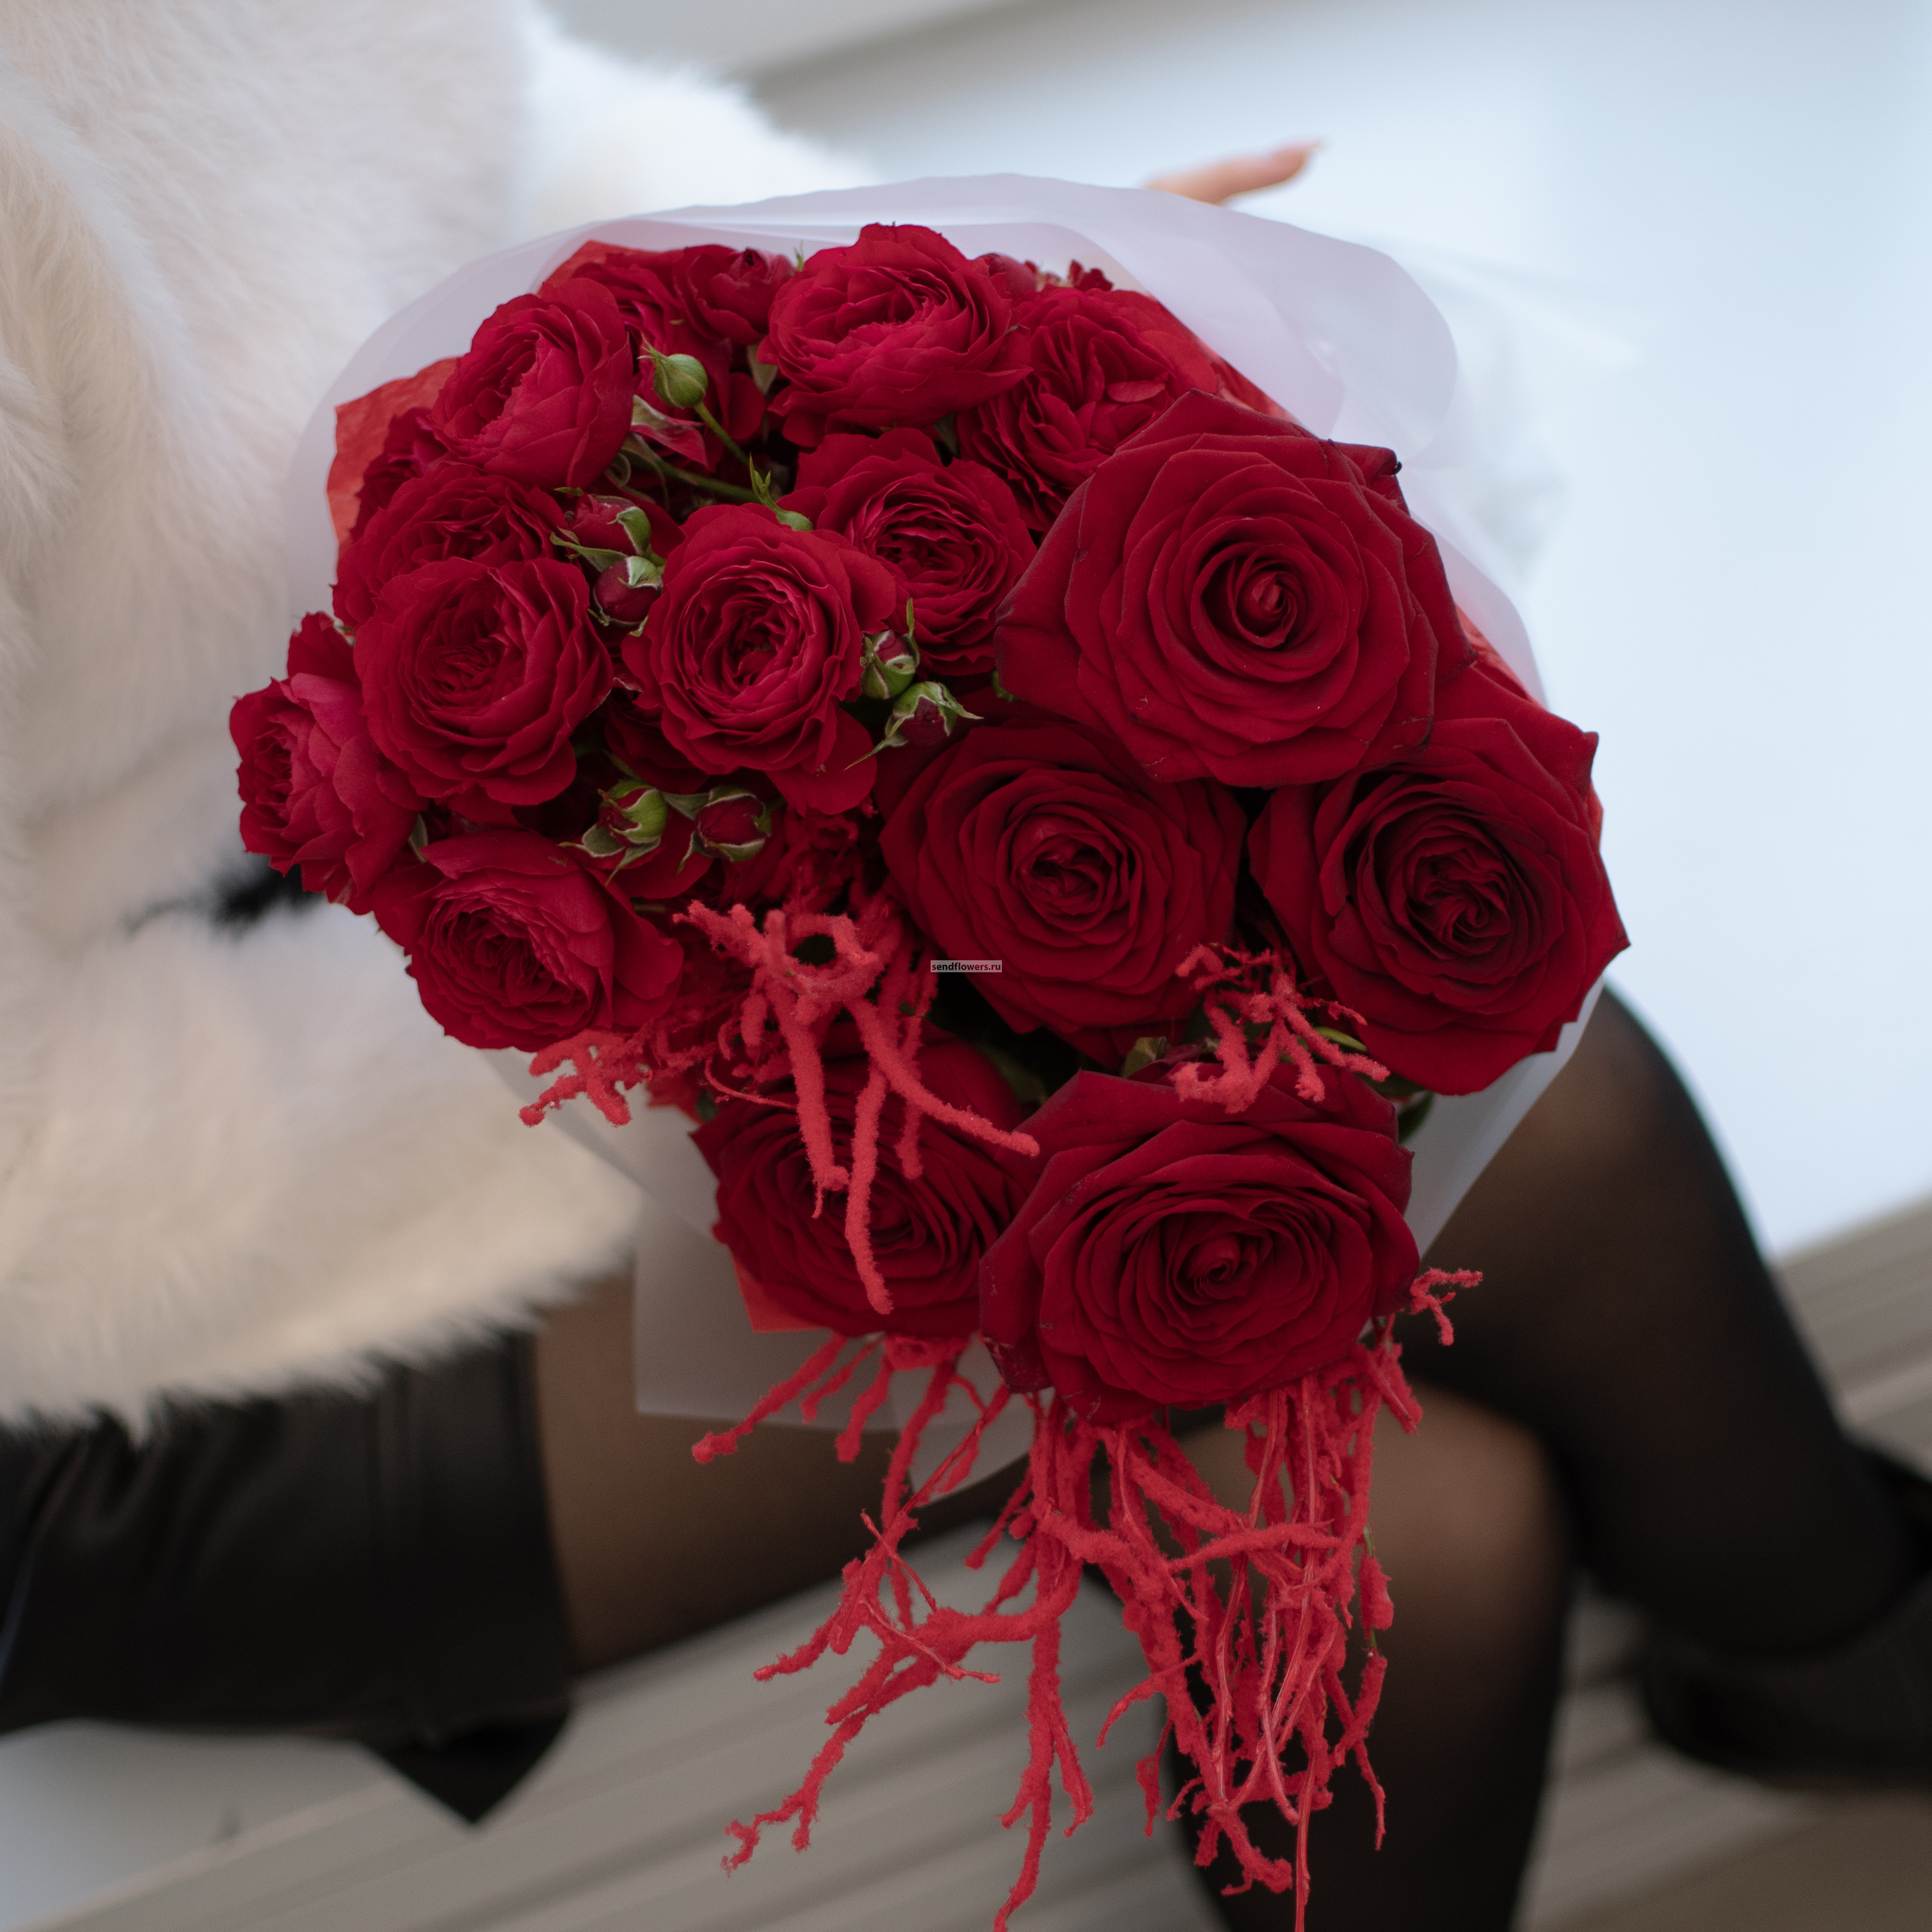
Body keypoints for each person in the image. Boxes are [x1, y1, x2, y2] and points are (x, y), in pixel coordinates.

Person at [1, 6, 1927, 1926]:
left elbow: (486, 140)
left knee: (1422, 1532)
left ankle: (1846, 1666)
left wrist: (944, 323)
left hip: (351, 886)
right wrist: (685, 993)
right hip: (121, 1326)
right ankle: (1853, 1660)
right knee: (1515, 1141)